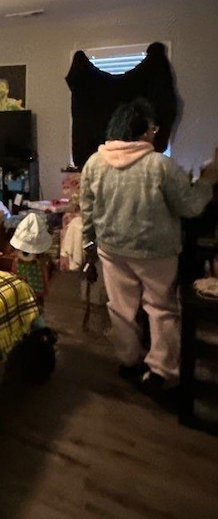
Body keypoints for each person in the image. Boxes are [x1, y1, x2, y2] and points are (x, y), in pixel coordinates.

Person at [79, 97, 218, 396]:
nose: (155, 134)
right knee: (160, 309)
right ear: (144, 131)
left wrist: (88, 243)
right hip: (156, 252)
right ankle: (160, 370)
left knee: (120, 308)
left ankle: (129, 362)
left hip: (111, 248)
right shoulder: (160, 166)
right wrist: (207, 180)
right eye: (153, 129)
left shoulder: (94, 163)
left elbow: (86, 210)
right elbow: (192, 207)